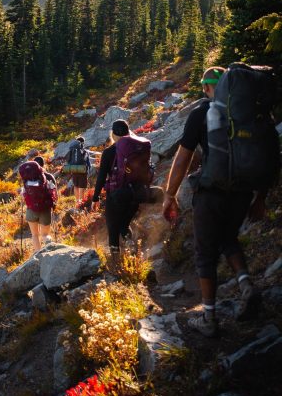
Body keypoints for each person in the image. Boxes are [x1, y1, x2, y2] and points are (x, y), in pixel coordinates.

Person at [162, 66, 266, 337]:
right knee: (228, 239)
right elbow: (266, 156)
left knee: (205, 252)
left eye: (204, 86)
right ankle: (246, 285)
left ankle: (209, 318)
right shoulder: (249, 114)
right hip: (243, 193)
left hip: (212, 193)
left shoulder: (201, 113)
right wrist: (261, 198)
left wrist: (170, 194)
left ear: (209, 87)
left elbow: (183, 157)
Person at [92, 120, 139, 260]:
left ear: (112, 134)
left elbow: (101, 177)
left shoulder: (109, 152)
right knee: (124, 224)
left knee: (113, 228)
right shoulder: (136, 147)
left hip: (116, 196)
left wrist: (95, 198)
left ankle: (116, 261)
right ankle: (133, 253)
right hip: (135, 193)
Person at [23, 156, 57, 252]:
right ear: (43, 165)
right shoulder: (49, 177)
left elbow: (24, 194)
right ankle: (50, 252)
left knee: (34, 235)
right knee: (45, 234)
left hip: (31, 209)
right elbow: (55, 195)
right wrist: (54, 205)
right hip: (45, 209)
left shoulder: (28, 178)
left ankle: (38, 255)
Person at [65, 136, 91, 207]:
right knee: (82, 187)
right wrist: (88, 171)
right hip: (82, 171)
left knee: (76, 186)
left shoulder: (72, 151)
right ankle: (81, 204)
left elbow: (68, 160)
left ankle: (77, 202)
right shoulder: (84, 151)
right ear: (82, 143)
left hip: (74, 171)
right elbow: (88, 163)